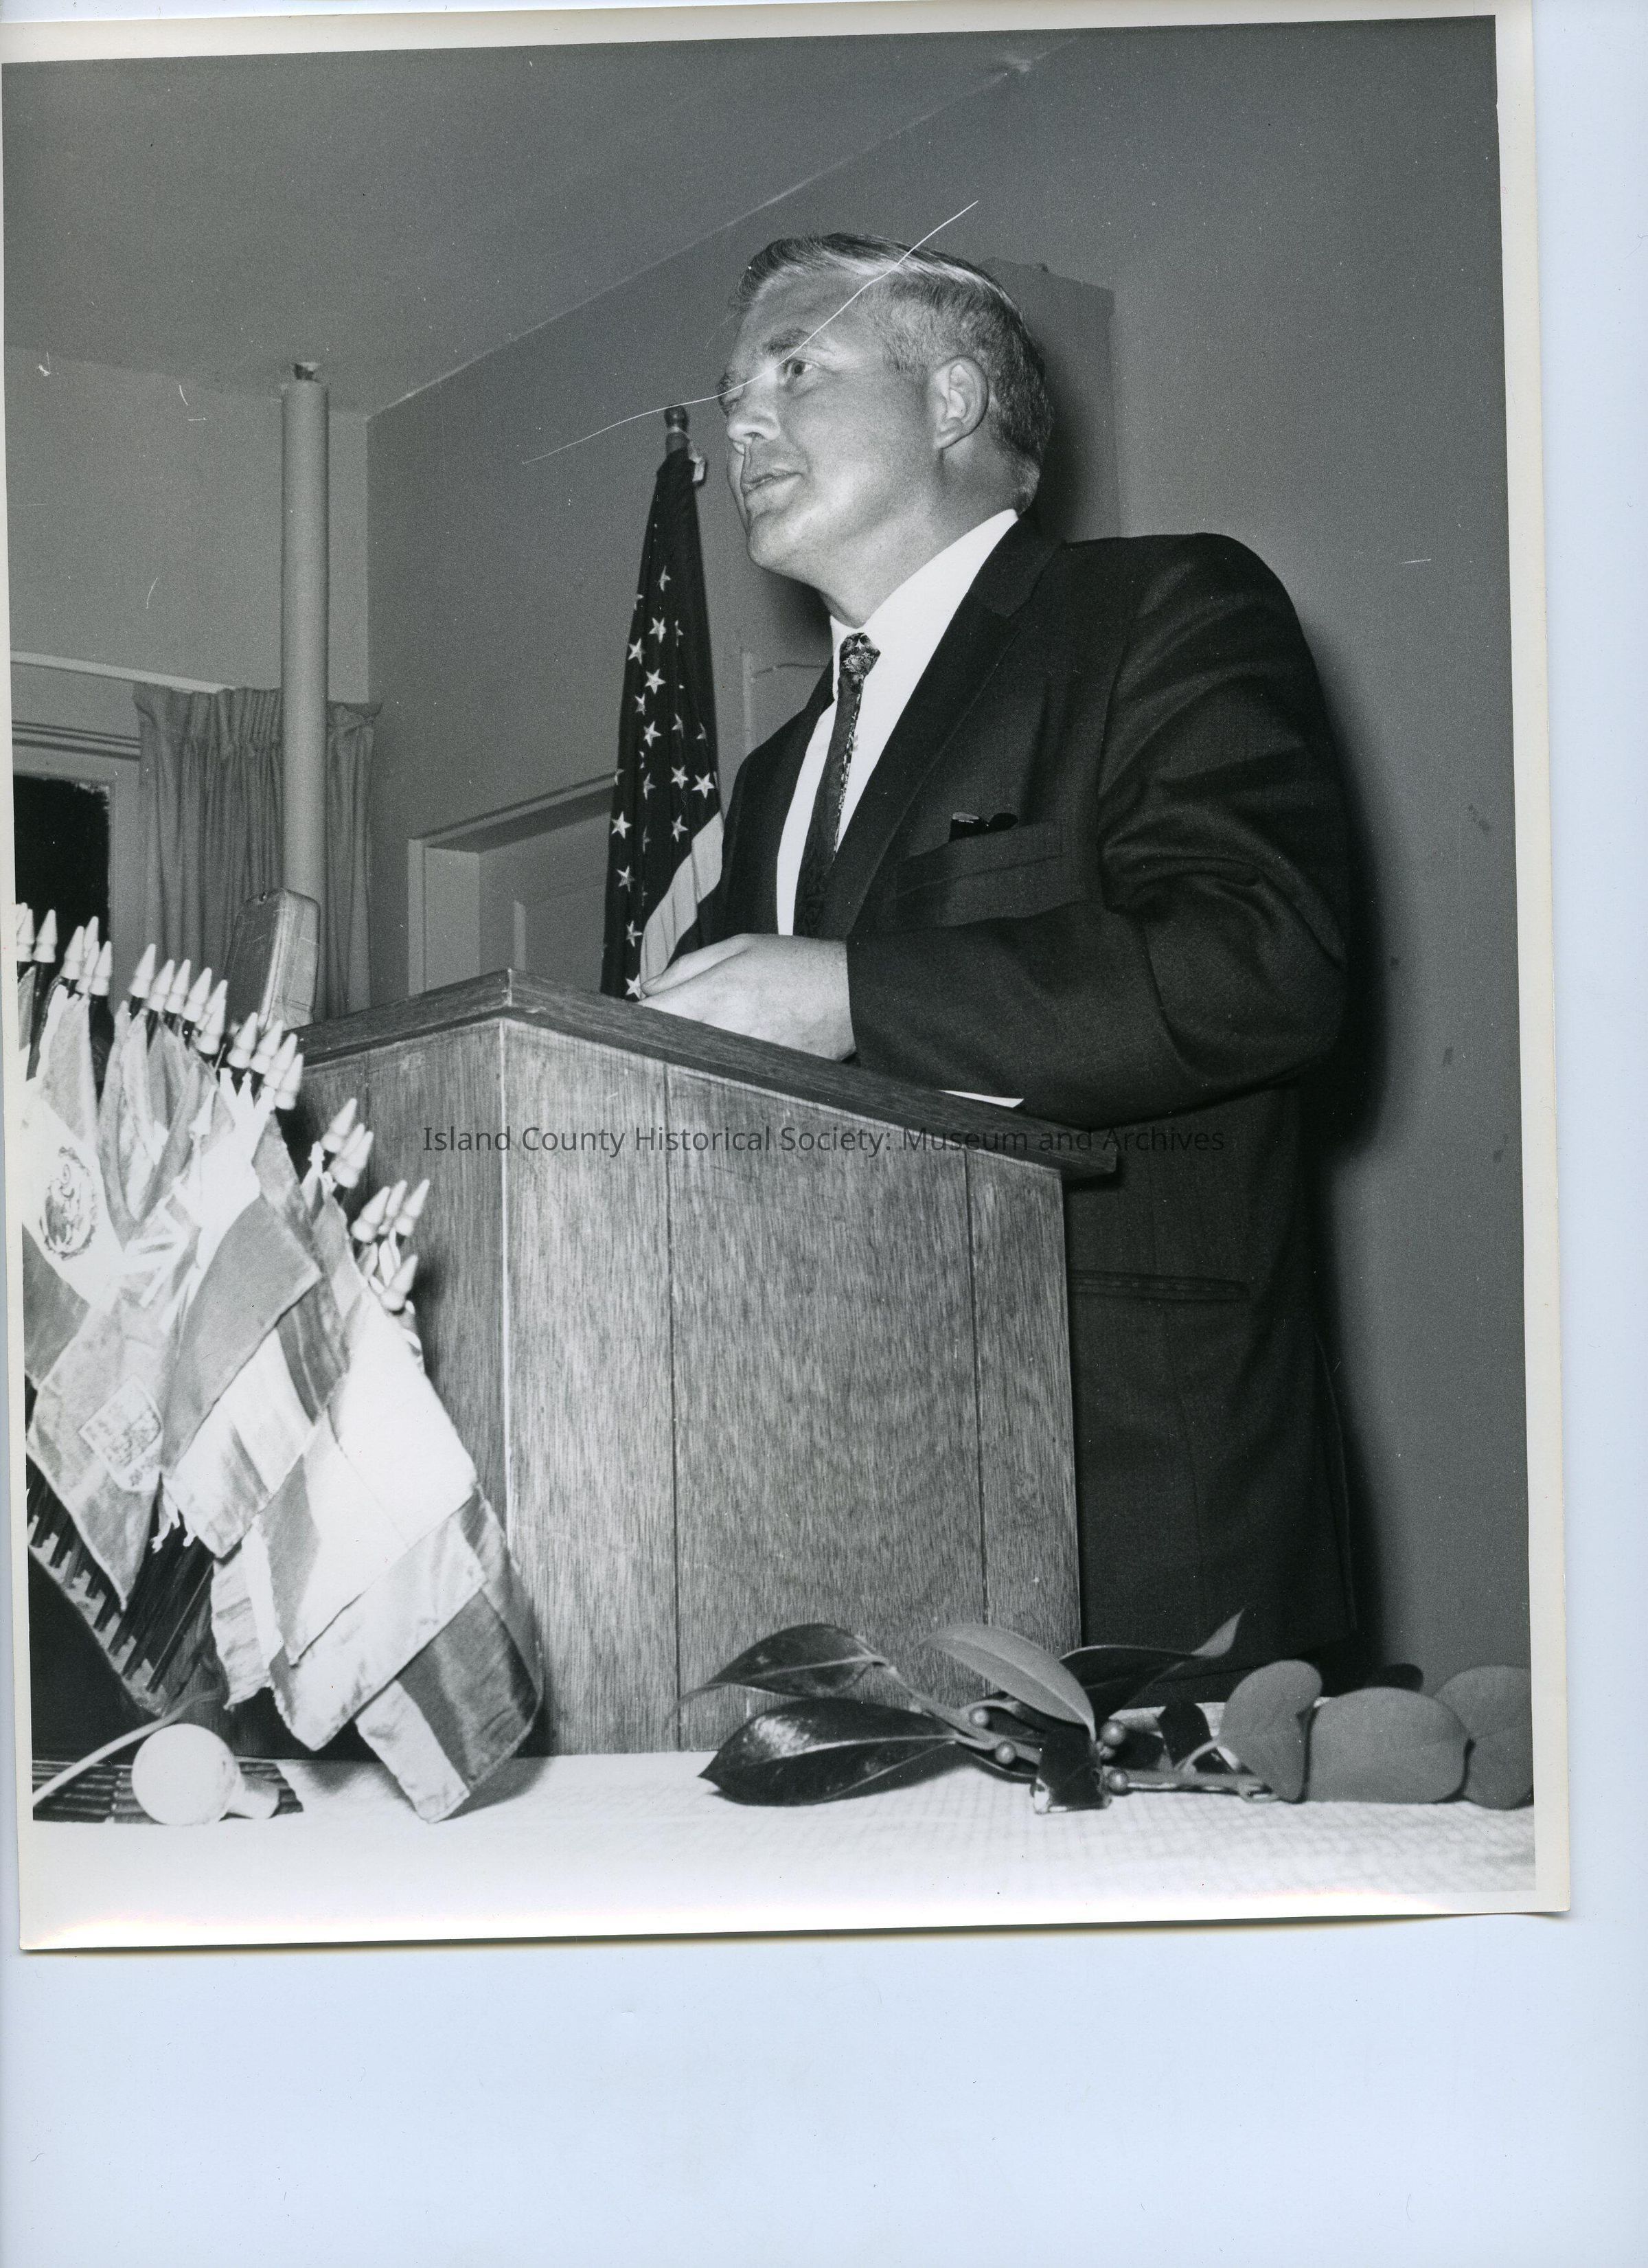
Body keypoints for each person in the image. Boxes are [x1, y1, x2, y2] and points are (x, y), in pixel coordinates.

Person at [640, 233, 1353, 1665]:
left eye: (794, 371)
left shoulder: (1158, 611)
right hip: (841, 1510)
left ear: (953, 399)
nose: (743, 426)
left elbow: (1264, 958)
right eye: (731, 399)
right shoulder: (774, 780)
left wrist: (855, 995)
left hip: (1138, 1513)